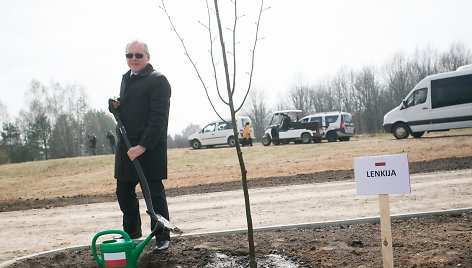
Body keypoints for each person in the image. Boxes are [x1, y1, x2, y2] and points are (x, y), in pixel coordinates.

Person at [111, 40, 172, 253]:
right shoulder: (126, 79)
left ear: (148, 57)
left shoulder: (158, 80)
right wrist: (117, 105)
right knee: (123, 192)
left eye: (138, 55)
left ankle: (162, 237)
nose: (133, 59)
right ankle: (131, 235)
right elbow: (132, 107)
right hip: (126, 149)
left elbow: (159, 118)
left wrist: (143, 145)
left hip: (148, 150)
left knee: (154, 195)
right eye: (129, 55)